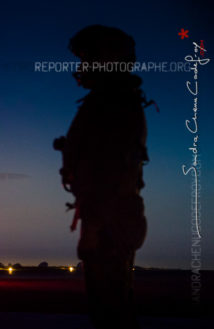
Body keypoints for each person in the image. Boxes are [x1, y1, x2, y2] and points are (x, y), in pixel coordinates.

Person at [54, 25, 153, 329]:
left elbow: (111, 174)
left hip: (108, 221)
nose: (81, 67)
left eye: (87, 58)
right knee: (111, 302)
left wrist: (95, 226)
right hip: (109, 218)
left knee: (110, 307)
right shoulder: (115, 102)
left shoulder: (112, 106)